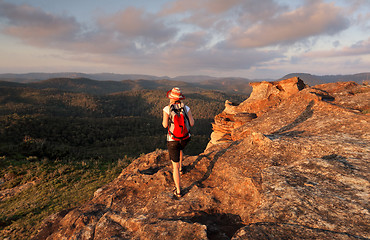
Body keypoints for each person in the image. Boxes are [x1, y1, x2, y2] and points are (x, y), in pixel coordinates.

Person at [162, 87, 194, 198]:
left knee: (174, 166)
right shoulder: (186, 108)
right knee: (181, 148)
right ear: (180, 98)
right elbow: (192, 123)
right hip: (185, 138)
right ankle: (181, 169)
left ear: (171, 98)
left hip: (173, 140)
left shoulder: (167, 109)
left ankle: (179, 191)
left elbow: (165, 125)